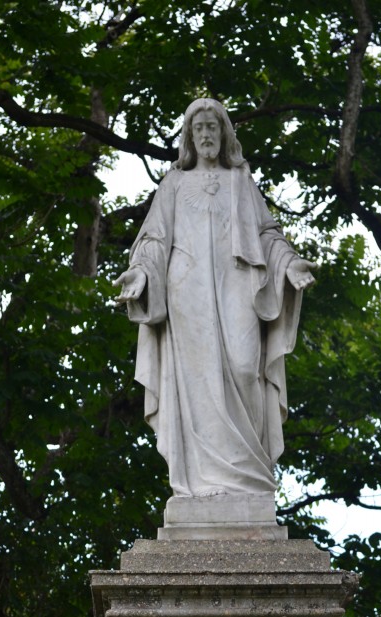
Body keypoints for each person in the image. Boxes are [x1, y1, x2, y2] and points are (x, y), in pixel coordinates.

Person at [114, 98, 316, 498]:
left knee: (244, 367)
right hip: (187, 290)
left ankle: (247, 478)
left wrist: (289, 264)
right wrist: (140, 272)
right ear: (189, 137)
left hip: (238, 283)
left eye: (212, 126)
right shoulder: (173, 184)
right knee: (197, 379)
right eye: (199, 128)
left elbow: (267, 234)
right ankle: (201, 481)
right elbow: (154, 240)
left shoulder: (240, 181)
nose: (206, 134)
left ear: (224, 133)